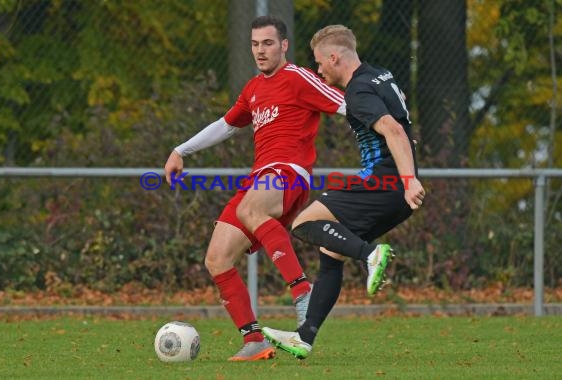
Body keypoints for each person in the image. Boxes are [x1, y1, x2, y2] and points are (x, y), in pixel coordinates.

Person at [164, 16, 349, 361]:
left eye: (267, 43)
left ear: (283, 45)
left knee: (251, 210)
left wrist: (388, 128)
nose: (260, 51)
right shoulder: (252, 89)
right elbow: (226, 125)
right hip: (260, 178)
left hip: (289, 172)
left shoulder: (298, 77)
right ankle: (254, 341)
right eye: (254, 44)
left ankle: (303, 294)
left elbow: (347, 105)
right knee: (217, 259)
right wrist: (180, 150)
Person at [262, 24, 426, 359]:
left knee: (303, 224)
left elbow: (393, 130)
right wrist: (409, 177)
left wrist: (408, 180)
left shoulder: (358, 91)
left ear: (335, 57)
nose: (318, 70)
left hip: (384, 183)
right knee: (331, 253)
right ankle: (304, 337)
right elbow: (402, 123)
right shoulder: (381, 75)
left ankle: (370, 255)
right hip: (394, 187)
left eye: (320, 63)